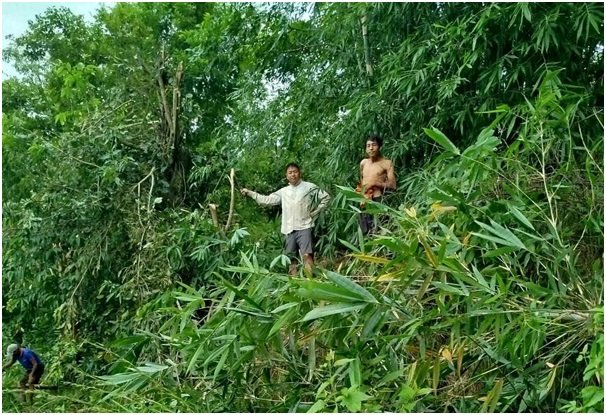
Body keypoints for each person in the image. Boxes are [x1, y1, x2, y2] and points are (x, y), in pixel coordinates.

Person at [241, 163, 330, 275]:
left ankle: (310, 283)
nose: (293, 175)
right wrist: (250, 193)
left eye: (295, 172)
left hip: (305, 227)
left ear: (300, 173)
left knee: (307, 256)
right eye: (290, 172)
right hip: (289, 229)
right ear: (286, 176)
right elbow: (267, 200)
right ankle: (293, 286)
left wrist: (315, 212)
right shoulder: (283, 192)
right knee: (291, 260)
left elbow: (326, 197)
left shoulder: (309, 187)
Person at [357, 134, 396, 234]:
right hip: (364, 199)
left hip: (378, 199)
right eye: (368, 145)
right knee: (365, 230)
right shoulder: (363, 163)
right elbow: (361, 180)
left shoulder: (387, 163)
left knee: (380, 227)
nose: (371, 148)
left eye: (374, 145)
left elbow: (393, 185)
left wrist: (376, 183)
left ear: (379, 147)